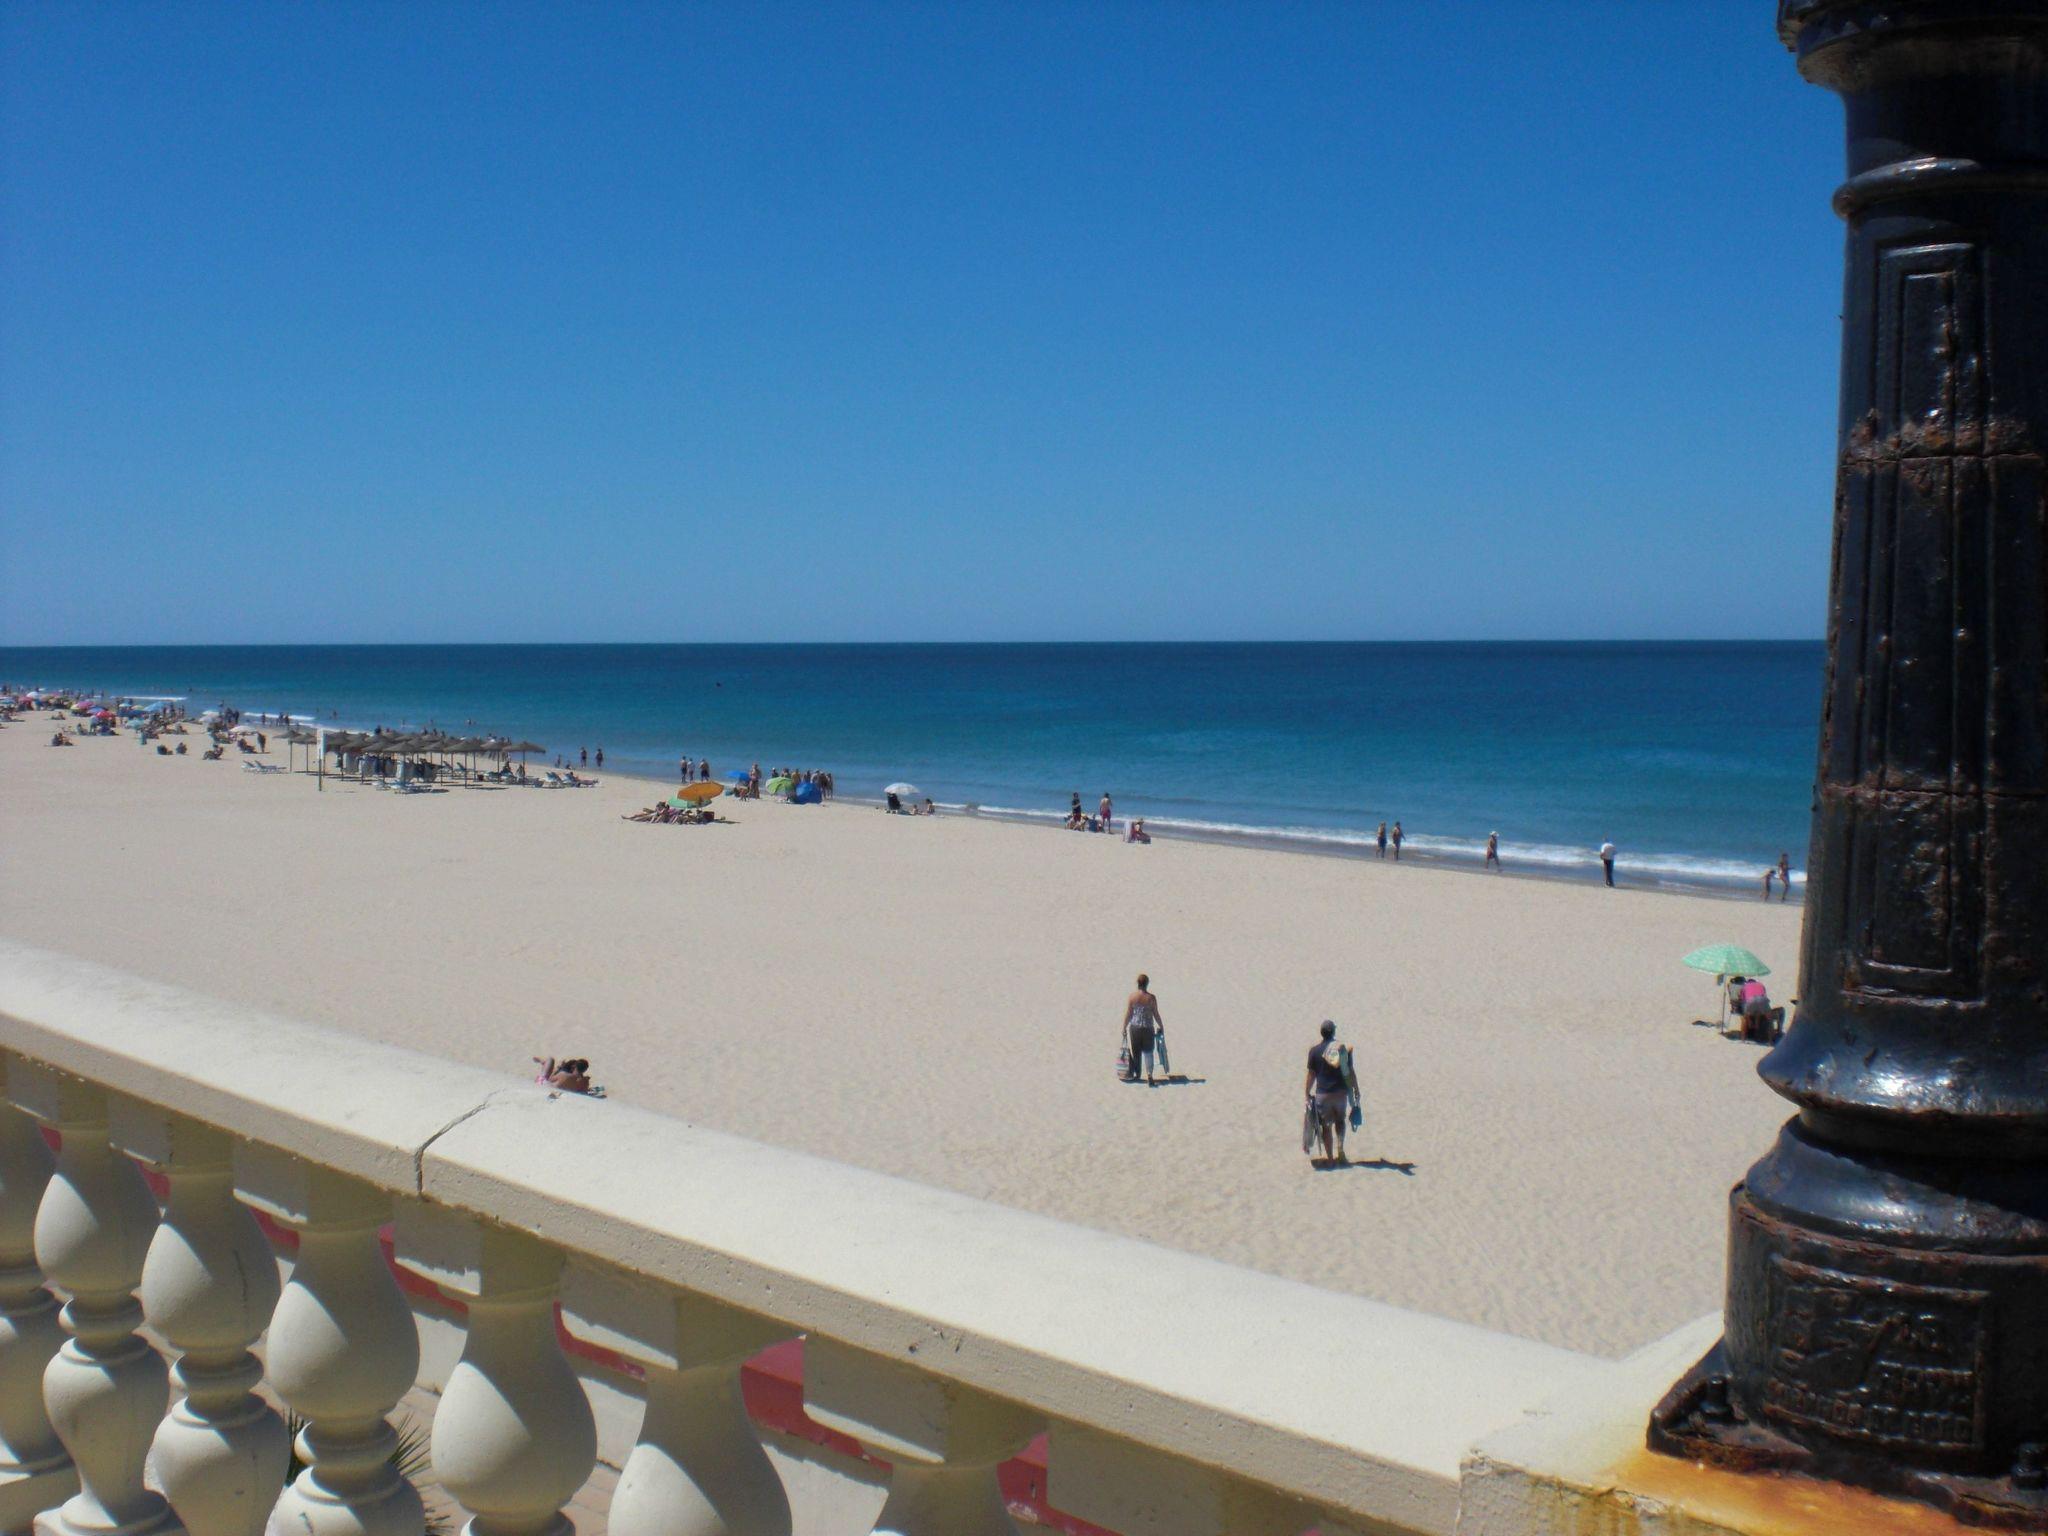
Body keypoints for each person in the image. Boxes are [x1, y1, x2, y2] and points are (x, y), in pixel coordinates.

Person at [1304, 1021, 1350, 1164]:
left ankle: (1330, 1158)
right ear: (1333, 1032)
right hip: (1340, 1093)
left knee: (1326, 1126)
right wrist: (1353, 1090)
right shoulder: (1341, 1049)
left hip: (1323, 1095)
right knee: (1340, 1121)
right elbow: (1348, 1072)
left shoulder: (1314, 1051)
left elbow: (1311, 1075)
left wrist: (1307, 1092)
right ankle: (1340, 1149)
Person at [1121, 975, 1162, 1085]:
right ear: (1147, 983)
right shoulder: (1151, 998)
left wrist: (1124, 1027)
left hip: (1135, 1028)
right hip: (1148, 1028)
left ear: (1137, 983)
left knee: (1136, 1052)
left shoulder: (1132, 997)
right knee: (1149, 1052)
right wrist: (1161, 1025)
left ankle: (1138, 1074)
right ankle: (1149, 1074)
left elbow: (1129, 1014)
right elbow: (1156, 1013)